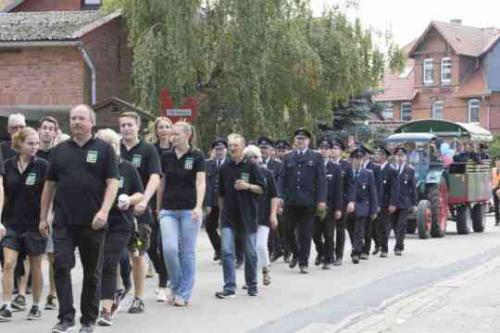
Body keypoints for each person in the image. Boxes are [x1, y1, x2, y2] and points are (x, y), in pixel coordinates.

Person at [39, 104, 119, 333]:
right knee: (61, 265)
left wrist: (104, 211)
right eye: (73, 118)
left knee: (91, 272)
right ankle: (66, 318)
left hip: (93, 221)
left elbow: (112, 182)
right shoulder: (60, 150)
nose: (76, 122)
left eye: (81, 118)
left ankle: (88, 320)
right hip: (63, 221)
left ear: (91, 122)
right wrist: (43, 217)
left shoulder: (104, 150)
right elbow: (49, 185)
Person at [94, 129, 144, 326]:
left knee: (109, 260)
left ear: (116, 148)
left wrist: (129, 200)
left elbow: (140, 194)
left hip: (120, 223)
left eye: (111, 146)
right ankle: (120, 285)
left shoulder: (127, 168)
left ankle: (106, 309)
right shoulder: (92, 169)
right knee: (101, 263)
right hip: (97, 222)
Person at [0, 127, 48, 322]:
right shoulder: (8, 165)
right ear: (19, 143)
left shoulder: (43, 166)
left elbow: (49, 195)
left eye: (37, 143)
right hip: (11, 222)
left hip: (34, 224)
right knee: (9, 263)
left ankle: (36, 305)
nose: (35, 147)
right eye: (30, 143)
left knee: (35, 266)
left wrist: (46, 220)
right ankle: (7, 304)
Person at [157, 122, 206, 306]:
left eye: (176, 133)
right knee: (169, 249)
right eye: (172, 134)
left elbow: (201, 182)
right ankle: (176, 286)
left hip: (189, 210)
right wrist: (158, 207)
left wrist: (198, 206)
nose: (172, 137)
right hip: (168, 209)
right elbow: (161, 183)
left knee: (187, 252)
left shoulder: (197, 156)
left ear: (187, 135)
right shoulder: (166, 156)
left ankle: (184, 294)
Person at [119, 111, 162, 310]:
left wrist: (144, 200)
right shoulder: (115, 149)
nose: (126, 128)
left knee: (137, 253)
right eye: (123, 125)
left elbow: (155, 177)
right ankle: (118, 290)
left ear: (138, 127)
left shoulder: (148, 150)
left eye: (129, 125)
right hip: (117, 213)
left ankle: (138, 298)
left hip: (139, 213)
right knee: (116, 253)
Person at [215, 134, 264, 299]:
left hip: (248, 216)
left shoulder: (252, 166)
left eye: (236, 145)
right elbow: (220, 194)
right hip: (228, 217)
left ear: (243, 147)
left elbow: (262, 189)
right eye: (230, 145)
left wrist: (248, 186)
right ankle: (229, 287)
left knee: (250, 253)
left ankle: (252, 285)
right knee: (227, 251)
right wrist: (221, 215)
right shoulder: (224, 167)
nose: (232, 148)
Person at [277, 128, 327, 274]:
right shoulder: (288, 157)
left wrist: (321, 200)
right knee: (287, 230)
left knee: (305, 233)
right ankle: (296, 254)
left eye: (303, 139)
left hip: (308, 202)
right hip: (291, 201)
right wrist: (280, 195)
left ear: (308, 141)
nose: (300, 141)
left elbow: (321, 180)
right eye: (298, 139)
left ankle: (303, 262)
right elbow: (282, 178)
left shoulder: (316, 157)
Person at [244, 145, 278, 285]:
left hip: (263, 215)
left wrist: (273, 214)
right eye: (249, 157)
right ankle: (250, 279)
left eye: (255, 157)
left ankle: (265, 268)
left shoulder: (267, 173)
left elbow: (273, 196)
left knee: (260, 246)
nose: (252, 159)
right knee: (249, 250)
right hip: (247, 216)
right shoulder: (242, 173)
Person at [148, 117, 173, 301]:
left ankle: (163, 283)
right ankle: (161, 271)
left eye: (167, 127)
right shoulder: (151, 150)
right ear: (156, 131)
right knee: (148, 244)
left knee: (163, 244)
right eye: (161, 127)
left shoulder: (175, 150)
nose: (163, 130)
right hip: (150, 199)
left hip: (170, 199)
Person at [36, 116, 59, 310]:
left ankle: (52, 293)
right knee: (32, 254)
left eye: (51, 128)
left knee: (52, 254)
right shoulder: (31, 153)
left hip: (53, 208)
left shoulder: (58, 154)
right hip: (31, 208)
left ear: (55, 133)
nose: (47, 131)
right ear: (38, 130)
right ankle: (24, 292)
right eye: (44, 128)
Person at [312, 138, 342, 269]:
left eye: (326, 148)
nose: (323, 151)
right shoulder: (312, 165)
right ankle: (321, 252)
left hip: (329, 206)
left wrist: (338, 208)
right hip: (314, 206)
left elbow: (338, 191)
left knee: (329, 234)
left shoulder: (335, 168)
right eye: (321, 148)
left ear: (330, 151)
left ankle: (328, 259)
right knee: (315, 233)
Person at [346, 148, 378, 264]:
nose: (358, 161)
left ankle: (356, 252)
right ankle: (357, 246)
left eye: (360, 159)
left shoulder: (368, 174)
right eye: (356, 159)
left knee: (359, 231)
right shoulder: (347, 173)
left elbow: (372, 193)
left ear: (363, 160)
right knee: (350, 230)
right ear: (352, 160)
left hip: (362, 207)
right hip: (349, 207)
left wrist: (374, 210)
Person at [330, 139, 354, 266]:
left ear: (341, 151)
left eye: (336, 148)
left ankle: (338, 255)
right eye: (332, 148)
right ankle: (329, 253)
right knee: (328, 230)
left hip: (343, 201)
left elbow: (351, 185)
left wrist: (351, 201)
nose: (333, 150)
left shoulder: (346, 165)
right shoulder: (324, 164)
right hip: (329, 201)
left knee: (340, 229)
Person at [204, 138, 227, 261]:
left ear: (226, 150)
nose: (219, 152)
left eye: (221, 149)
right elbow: (206, 185)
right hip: (212, 202)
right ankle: (219, 249)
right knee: (209, 226)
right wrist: (207, 203)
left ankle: (226, 252)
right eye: (217, 150)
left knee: (226, 227)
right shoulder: (207, 164)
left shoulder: (230, 163)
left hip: (227, 202)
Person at [374, 146, 399, 258]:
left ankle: (384, 248)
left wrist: (393, 203)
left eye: (379, 155)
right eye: (377, 154)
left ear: (384, 157)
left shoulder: (391, 170)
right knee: (374, 226)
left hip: (385, 202)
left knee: (384, 226)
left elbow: (394, 188)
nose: (377, 157)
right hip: (375, 202)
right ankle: (378, 244)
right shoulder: (374, 169)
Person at [393, 146, 417, 256]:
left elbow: (413, 188)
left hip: (404, 202)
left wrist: (414, 203)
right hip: (393, 202)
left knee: (401, 224)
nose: (400, 158)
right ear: (395, 157)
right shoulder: (391, 169)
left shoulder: (410, 170)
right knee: (394, 225)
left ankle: (399, 245)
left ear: (405, 157)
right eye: (398, 156)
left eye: (402, 156)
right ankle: (398, 242)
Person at [361, 145, 381, 259]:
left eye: (364, 154)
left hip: (370, 202)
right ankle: (375, 242)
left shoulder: (375, 168)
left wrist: (377, 204)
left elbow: (377, 188)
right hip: (360, 202)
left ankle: (366, 250)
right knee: (362, 228)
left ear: (368, 155)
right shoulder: (355, 166)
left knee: (369, 227)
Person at [273, 139, 291, 263]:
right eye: (279, 150)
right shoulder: (274, 164)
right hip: (276, 198)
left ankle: (288, 250)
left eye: (284, 150)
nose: (282, 153)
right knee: (276, 226)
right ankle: (279, 249)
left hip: (289, 199)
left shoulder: (292, 162)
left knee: (287, 226)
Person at [491, 156, 500, 226]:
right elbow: (491, 179)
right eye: (496, 161)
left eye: (499, 161)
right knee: (496, 206)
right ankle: (497, 221)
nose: (497, 163)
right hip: (494, 189)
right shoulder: (493, 170)